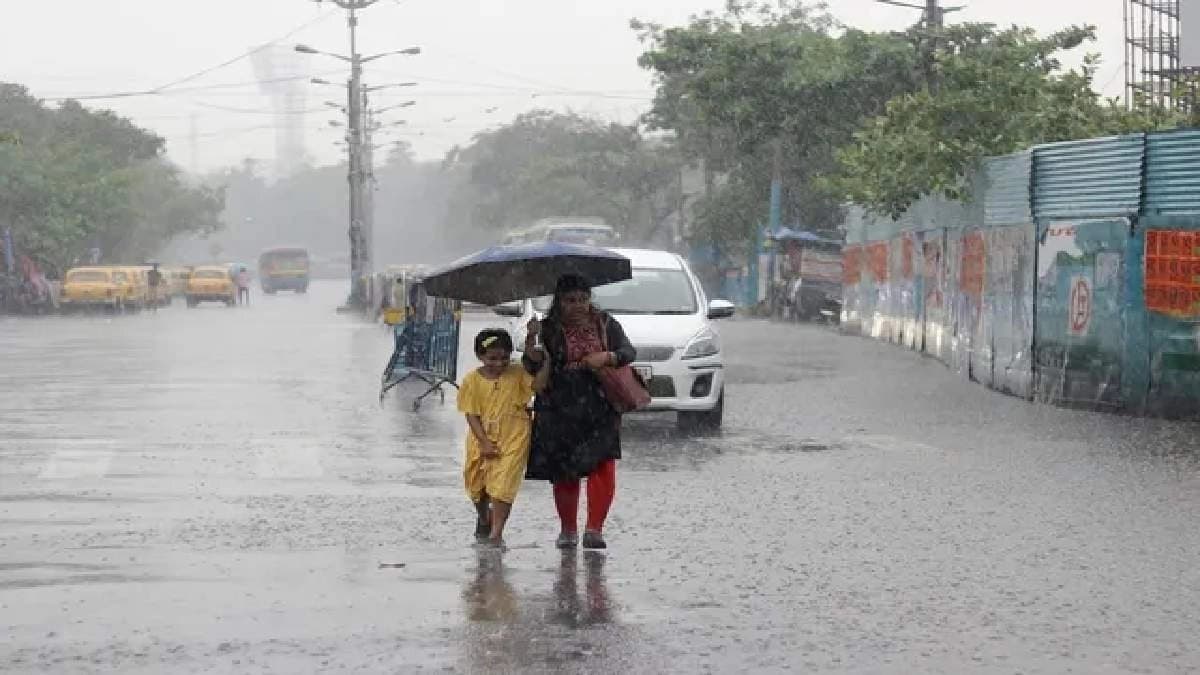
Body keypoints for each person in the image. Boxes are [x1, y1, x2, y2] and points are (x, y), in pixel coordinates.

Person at [522, 274, 637, 550]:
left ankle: (594, 529)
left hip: (600, 403)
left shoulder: (606, 323)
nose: (578, 306)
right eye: (570, 300)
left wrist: (608, 356)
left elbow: (628, 351)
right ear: (559, 302)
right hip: (559, 406)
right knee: (565, 470)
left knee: (602, 465)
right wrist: (531, 340)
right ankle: (568, 530)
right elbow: (532, 367)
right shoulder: (548, 328)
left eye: (583, 299)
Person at [458, 328, 545, 548]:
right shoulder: (471, 381)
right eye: (492, 359)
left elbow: (538, 386)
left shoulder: (517, 373)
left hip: (514, 434)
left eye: (504, 358)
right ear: (480, 356)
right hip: (481, 437)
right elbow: (471, 414)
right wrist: (484, 442)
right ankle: (484, 517)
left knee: (503, 485)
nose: (499, 364)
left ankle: (496, 533)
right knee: (476, 486)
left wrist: (544, 359)